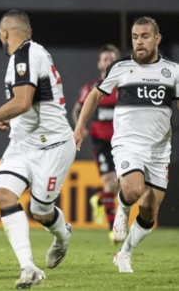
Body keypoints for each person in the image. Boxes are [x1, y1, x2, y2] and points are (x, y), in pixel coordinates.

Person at [0, 10, 75, 289]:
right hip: (23, 143)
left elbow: (23, 101)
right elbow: (31, 102)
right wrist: (9, 117)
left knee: (41, 211)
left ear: (4, 33)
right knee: (3, 193)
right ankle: (28, 267)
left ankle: (62, 236)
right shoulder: (26, 55)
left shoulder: (25, 55)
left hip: (53, 145)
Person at [74, 17, 179, 273]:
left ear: (157, 39)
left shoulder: (173, 71)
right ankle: (122, 210)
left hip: (159, 150)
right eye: (134, 37)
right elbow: (95, 95)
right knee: (132, 190)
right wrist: (79, 127)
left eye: (144, 36)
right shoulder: (121, 67)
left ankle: (124, 254)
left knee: (149, 210)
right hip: (127, 143)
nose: (139, 42)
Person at [72, 45, 120, 243]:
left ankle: (99, 199)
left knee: (121, 186)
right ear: (100, 64)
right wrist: (79, 126)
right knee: (110, 183)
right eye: (105, 59)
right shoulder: (91, 88)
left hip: (123, 141)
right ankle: (113, 230)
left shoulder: (125, 87)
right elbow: (77, 109)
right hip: (101, 142)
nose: (108, 62)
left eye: (111, 59)